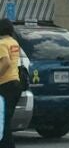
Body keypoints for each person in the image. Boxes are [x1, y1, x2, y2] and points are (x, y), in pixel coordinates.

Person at [0, 19, 22, 148]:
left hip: (5, 84)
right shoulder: (14, 43)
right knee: (6, 119)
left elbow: (6, 62)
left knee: (3, 121)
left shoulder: (2, 44)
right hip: (15, 83)